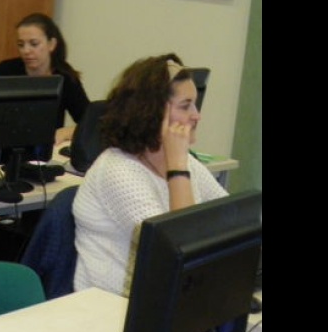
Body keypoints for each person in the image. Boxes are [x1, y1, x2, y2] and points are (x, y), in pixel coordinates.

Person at [71, 54, 227, 296]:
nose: (197, 115)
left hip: (167, 303)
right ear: (151, 112)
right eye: (186, 106)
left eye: (195, 104)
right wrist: (177, 166)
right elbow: (179, 248)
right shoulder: (117, 170)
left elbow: (232, 217)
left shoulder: (183, 163)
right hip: (113, 312)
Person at [0, 12, 89, 145]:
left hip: (46, 151)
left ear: (51, 44)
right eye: (21, 44)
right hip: (2, 148)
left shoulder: (65, 77)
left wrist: (66, 132)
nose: (26, 51)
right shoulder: (4, 71)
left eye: (34, 44)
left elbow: (89, 122)